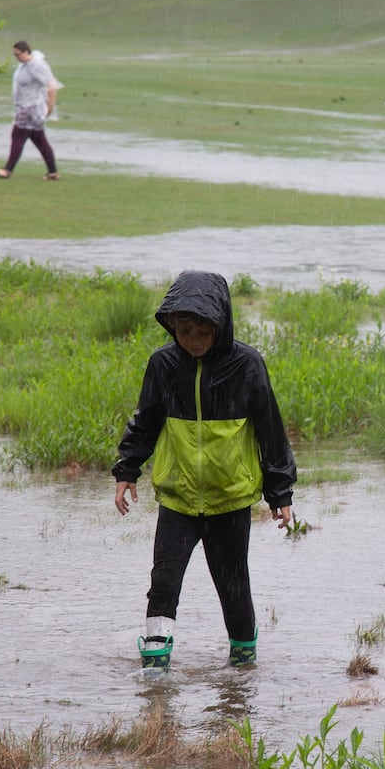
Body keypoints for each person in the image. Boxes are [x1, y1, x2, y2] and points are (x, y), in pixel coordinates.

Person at [112, 271, 297, 671]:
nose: (193, 341)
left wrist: (280, 494)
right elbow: (146, 418)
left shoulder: (247, 364)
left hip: (229, 499)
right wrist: (127, 468)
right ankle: (155, 666)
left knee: (233, 586)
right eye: (184, 331)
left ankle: (243, 665)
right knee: (163, 580)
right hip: (178, 499)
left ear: (221, 325)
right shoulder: (163, 364)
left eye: (203, 332)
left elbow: (270, 429)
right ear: (172, 326)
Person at [0, 40, 62, 180]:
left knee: (17, 136)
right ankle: (52, 172)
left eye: (18, 55)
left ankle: (7, 170)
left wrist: (50, 106)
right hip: (25, 106)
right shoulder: (24, 66)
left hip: (32, 108)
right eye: (14, 55)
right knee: (40, 140)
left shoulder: (37, 65)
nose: (16, 58)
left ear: (26, 52)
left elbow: (51, 85)